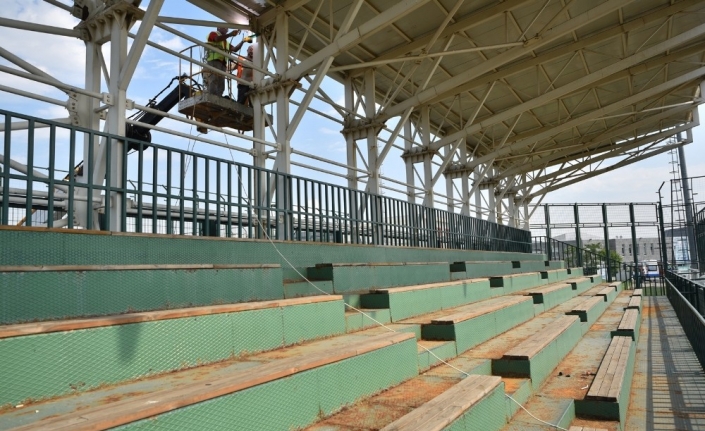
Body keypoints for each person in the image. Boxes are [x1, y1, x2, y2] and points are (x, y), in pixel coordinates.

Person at [205, 27, 244, 96]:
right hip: (214, 60)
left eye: (227, 29)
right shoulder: (213, 33)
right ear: (218, 28)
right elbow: (216, 39)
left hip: (222, 63)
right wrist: (230, 35)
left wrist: (243, 41)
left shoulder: (225, 42)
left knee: (221, 83)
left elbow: (235, 49)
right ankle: (211, 96)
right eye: (224, 28)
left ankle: (218, 97)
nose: (226, 29)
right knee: (214, 79)